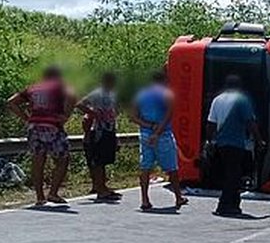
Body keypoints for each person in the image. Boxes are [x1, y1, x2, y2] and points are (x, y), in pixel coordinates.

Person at [7, 65, 76, 206]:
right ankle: (53, 193)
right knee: (63, 159)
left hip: (34, 128)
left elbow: (11, 102)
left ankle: (40, 197)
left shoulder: (33, 88)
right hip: (53, 128)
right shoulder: (60, 86)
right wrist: (66, 115)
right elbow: (73, 95)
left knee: (38, 161)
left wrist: (26, 118)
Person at [206, 75, 263, 217]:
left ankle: (234, 204)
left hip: (221, 144)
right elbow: (250, 122)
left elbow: (211, 124)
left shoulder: (217, 100)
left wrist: (210, 141)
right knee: (234, 175)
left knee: (231, 174)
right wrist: (259, 140)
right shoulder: (242, 100)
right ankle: (224, 205)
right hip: (236, 143)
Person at [130, 70, 187, 211]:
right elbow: (168, 115)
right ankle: (178, 197)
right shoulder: (167, 94)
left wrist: (148, 126)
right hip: (163, 134)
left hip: (145, 134)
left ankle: (144, 199)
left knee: (145, 167)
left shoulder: (140, 95)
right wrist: (157, 132)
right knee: (171, 167)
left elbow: (133, 117)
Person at [76, 72, 121, 202]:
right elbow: (79, 103)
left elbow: (115, 112)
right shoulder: (97, 93)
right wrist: (92, 113)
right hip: (98, 130)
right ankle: (100, 189)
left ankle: (103, 186)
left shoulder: (113, 94)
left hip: (109, 129)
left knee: (105, 159)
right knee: (98, 160)